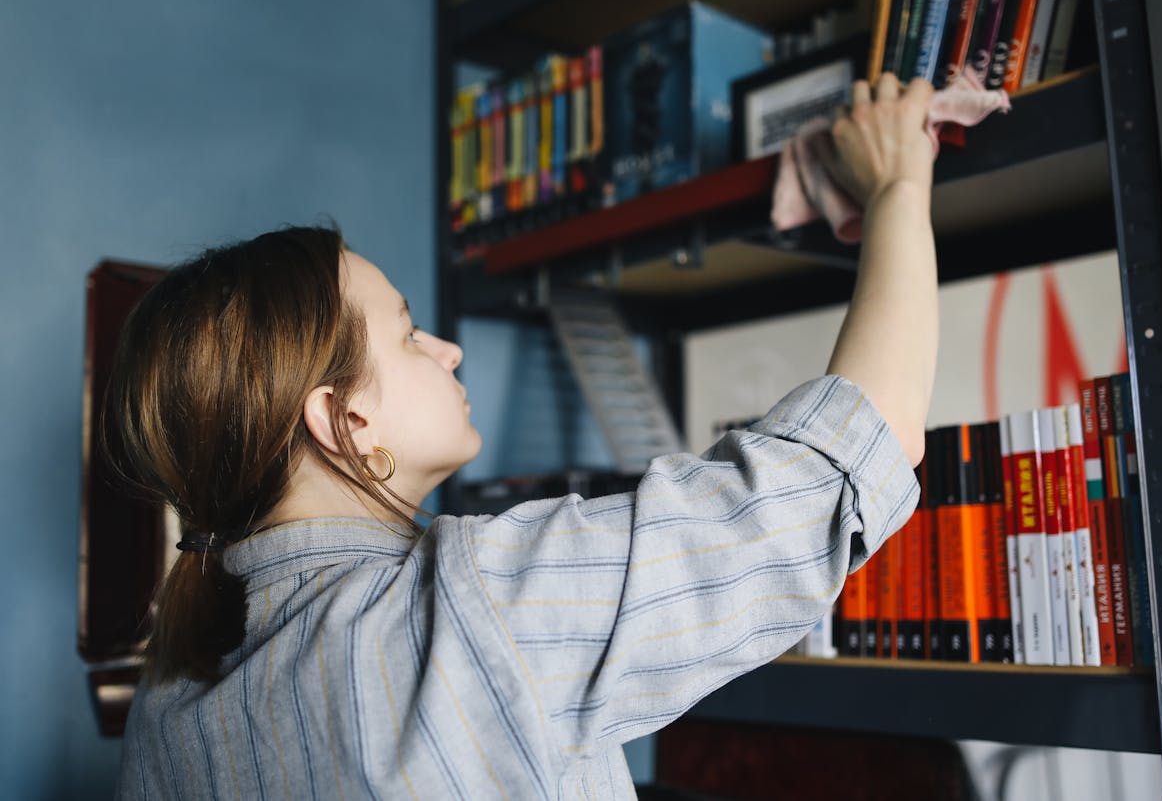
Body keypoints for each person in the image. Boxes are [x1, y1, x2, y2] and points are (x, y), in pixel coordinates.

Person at [111, 74, 938, 799]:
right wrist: (899, 184)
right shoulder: (474, 611)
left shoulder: (169, 695)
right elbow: (830, 474)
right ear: (346, 420)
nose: (449, 350)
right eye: (409, 334)